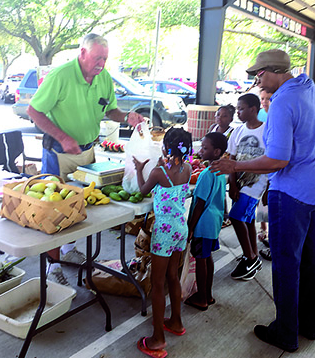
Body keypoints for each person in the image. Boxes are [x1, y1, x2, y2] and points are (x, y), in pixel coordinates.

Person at [210, 49, 315, 352]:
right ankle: (310, 326)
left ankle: (286, 332)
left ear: (273, 71)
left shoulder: (284, 100)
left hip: (294, 195)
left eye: (259, 74)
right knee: (314, 261)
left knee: (287, 264)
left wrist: (235, 166)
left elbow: (277, 160)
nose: (257, 81)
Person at [27, 33, 144, 286]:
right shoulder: (60, 76)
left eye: (105, 58)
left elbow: (111, 109)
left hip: (88, 153)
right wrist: (63, 136)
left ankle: (69, 250)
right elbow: (33, 110)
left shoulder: (104, 78)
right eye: (97, 58)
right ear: (82, 53)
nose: (101, 63)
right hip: (58, 153)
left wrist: (127, 117)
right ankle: (53, 267)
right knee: (54, 210)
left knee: (80, 205)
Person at [133, 127, 192, 358]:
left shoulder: (158, 172)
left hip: (164, 231)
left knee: (157, 284)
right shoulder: (186, 168)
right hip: (180, 227)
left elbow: (142, 190)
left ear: (166, 147)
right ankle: (176, 322)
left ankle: (157, 339)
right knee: (172, 276)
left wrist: (139, 170)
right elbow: (174, 171)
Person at [227, 93, 267, 280]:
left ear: (253, 109)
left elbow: (274, 161)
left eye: (241, 109)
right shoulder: (238, 131)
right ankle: (254, 255)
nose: (238, 112)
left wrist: (269, 188)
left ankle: (249, 258)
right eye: (237, 109)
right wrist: (233, 183)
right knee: (248, 219)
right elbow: (232, 160)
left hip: (257, 183)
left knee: (236, 216)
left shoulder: (267, 131)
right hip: (240, 183)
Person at [185, 132, 227, 311]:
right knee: (207, 257)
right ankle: (208, 294)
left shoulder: (206, 174)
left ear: (216, 151)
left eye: (205, 148)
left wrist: (190, 227)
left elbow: (199, 204)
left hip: (203, 224)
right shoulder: (220, 172)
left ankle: (201, 298)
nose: (200, 151)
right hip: (214, 222)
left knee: (201, 260)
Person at [208, 104, 236, 227]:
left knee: (220, 188)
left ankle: (225, 214)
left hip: (224, 165)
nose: (220, 118)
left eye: (225, 116)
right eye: (218, 114)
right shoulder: (213, 128)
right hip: (211, 162)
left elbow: (231, 152)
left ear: (231, 119)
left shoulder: (232, 132)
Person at [256, 90, 273, 255]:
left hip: (272, 167)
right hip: (261, 164)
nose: (265, 102)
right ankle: (264, 228)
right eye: (262, 98)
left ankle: (273, 239)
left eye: (268, 98)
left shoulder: (279, 115)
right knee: (262, 202)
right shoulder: (261, 115)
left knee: (271, 203)